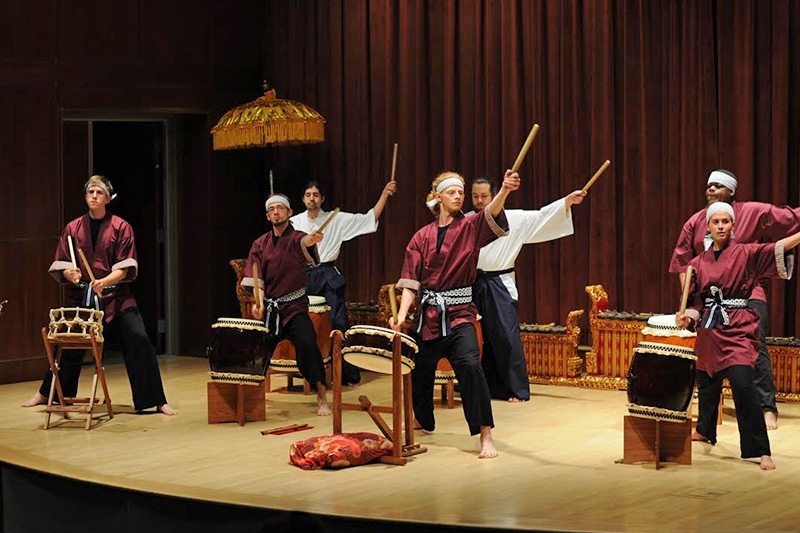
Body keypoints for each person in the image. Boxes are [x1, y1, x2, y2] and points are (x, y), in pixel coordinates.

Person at [389, 169, 521, 459]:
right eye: (453, 192)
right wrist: (400, 316)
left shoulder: (470, 227)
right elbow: (411, 281)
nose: (459, 196)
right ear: (438, 198)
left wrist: (505, 191)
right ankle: (422, 418)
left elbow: (491, 214)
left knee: (470, 367)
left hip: (461, 313)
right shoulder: (421, 237)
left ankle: (485, 433)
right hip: (429, 315)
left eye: (462, 192)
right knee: (417, 367)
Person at [23, 175, 176, 415]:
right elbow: (62, 263)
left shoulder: (121, 227)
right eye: (90, 192)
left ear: (108, 198)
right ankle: (47, 393)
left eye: (99, 193)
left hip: (117, 296)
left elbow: (125, 268)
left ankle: (156, 399)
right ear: (85, 197)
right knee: (68, 341)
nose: (94, 196)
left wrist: (105, 282)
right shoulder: (73, 228)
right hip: (84, 297)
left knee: (138, 338)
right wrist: (71, 274)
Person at [670, 169, 800, 430]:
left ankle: (766, 408)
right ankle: (706, 422)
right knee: (706, 355)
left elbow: (789, 218)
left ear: (731, 191)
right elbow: (683, 262)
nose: (711, 190)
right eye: (709, 185)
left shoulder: (751, 211)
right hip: (709, 300)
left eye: (718, 186)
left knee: (756, 348)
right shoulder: (697, 221)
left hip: (747, 296)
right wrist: (690, 302)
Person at [470, 176, 586, 402]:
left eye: (484, 196)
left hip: (499, 284)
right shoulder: (467, 220)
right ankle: (484, 387)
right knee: (477, 337)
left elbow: (542, 216)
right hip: (473, 283)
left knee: (505, 334)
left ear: (494, 195)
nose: (480, 201)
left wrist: (567, 202)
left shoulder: (515, 219)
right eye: (475, 196)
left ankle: (516, 389)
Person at [290, 180, 397, 386]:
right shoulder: (294, 223)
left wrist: (384, 195)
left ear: (322, 199)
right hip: (303, 276)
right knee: (304, 324)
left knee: (338, 323)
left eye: (316, 194)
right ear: (303, 199)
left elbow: (369, 218)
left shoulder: (335, 219)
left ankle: (346, 373)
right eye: (308, 194)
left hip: (328, 273)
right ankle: (309, 373)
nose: (312, 198)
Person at [243, 193, 331, 416]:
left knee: (308, 343)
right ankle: (252, 398)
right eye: (272, 209)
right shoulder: (259, 244)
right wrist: (259, 303)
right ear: (267, 215)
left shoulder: (296, 237)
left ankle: (322, 397)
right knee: (257, 351)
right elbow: (257, 278)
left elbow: (305, 243)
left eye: (280, 208)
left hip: (294, 307)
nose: (276, 212)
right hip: (271, 311)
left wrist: (312, 240)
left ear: (289, 213)